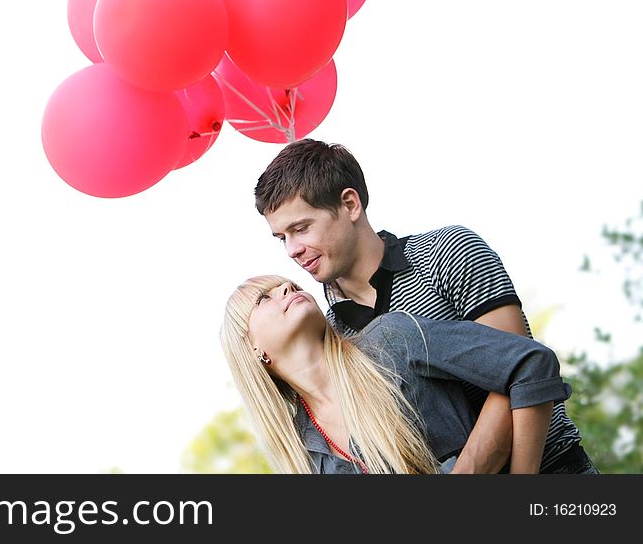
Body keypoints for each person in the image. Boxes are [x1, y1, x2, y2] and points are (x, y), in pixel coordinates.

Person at [253, 139, 597, 474]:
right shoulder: (332, 332)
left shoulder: (447, 253)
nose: (292, 250)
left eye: (301, 229)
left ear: (350, 204)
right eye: (282, 237)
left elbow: (517, 371)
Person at [222, 275, 574, 474]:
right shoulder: (301, 450)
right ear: (253, 349)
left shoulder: (391, 340)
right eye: (262, 299)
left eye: (290, 285)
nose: (287, 289)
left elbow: (529, 362)